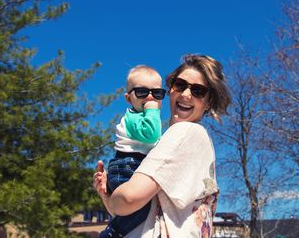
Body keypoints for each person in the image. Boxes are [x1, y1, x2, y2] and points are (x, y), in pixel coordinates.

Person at [94, 54, 231, 237]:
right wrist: (108, 197)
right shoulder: (190, 140)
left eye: (198, 91)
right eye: (180, 85)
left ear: (208, 103)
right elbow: (137, 213)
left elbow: (128, 199)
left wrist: (112, 201)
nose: (185, 94)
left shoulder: (184, 132)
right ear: (171, 89)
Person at [100, 65, 166, 238]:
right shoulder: (133, 117)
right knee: (140, 207)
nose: (150, 97)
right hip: (128, 165)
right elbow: (151, 136)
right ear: (129, 99)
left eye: (157, 93)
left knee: (137, 207)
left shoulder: (142, 118)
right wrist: (152, 109)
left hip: (129, 165)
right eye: (142, 92)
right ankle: (113, 231)